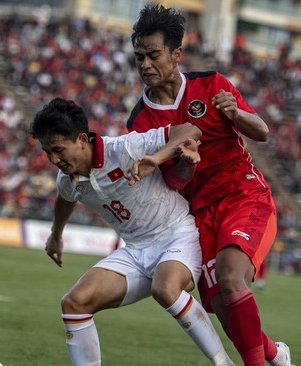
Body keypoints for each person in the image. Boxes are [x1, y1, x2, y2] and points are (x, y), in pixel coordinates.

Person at [126, 4, 293, 366]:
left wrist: (236, 113)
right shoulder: (140, 122)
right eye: (139, 57)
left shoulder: (211, 85)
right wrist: (185, 167)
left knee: (233, 279)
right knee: (225, 311)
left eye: (153, 55)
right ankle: (276, 355)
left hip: (243, 196)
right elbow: (169, 181)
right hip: (200, 214)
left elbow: (261, 131)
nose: (145, 65)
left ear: (176, 54)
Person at [31, 98, 234, 366]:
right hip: (136, 251)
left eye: (58, 149)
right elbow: (65, 198)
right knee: (74, 303)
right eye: (47, 152)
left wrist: (158, 157)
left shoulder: (126, 148)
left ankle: (224, 363)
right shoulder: (68, 180)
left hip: (178, 235)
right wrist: (56, 235)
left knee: (166, 289)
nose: (54, 159)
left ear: (82, 139)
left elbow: (189, 130)